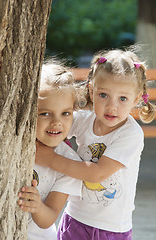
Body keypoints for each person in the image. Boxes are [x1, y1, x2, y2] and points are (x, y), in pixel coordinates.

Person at [35, 48, 156, 240]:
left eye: (122, 98)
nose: (111, 106)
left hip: (111, 229)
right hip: (74, 219)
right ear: (91, 91)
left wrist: (50, 159)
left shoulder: (130, 135)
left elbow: (96, 173)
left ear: (135, 99)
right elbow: (55, 125)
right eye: (103, 95)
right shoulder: (84, 120)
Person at [17, 60, 83, 240]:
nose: (56, 122)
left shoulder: (69, 162)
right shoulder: (13, 142)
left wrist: (37, 206)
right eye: (45, 113)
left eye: (65, 113)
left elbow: (49, 219)